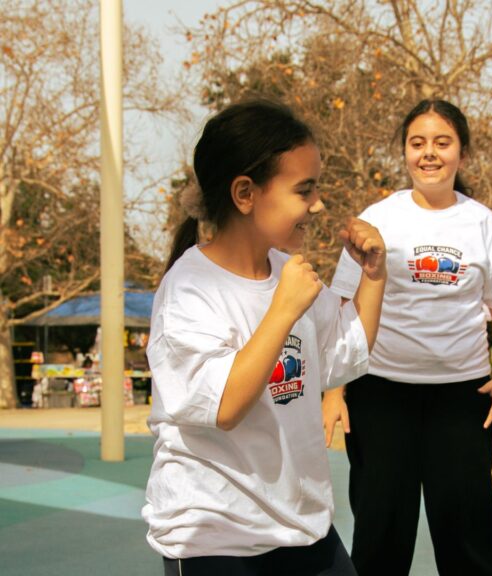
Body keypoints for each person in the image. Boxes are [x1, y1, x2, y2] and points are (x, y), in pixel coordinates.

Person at [142, 100, 387, 576]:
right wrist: (282, 310)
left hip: (302, 529)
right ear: (245, 193)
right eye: (303, 190)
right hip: (216, 539)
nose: (316, 205)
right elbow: (225, 406)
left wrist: (373, 277)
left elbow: (342, 358)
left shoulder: (288, 274)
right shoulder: (189, 289)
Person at [324, 99, 492, 576]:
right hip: (380, 394)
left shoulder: (484, 223)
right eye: (418, 143)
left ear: (461, 152)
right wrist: (335, 390)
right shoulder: (378, 218)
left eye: (442, 142)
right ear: (404, 152)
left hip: (462, 397)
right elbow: (343, 307)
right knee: (380, 531)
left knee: (468, 533)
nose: (429, 154)